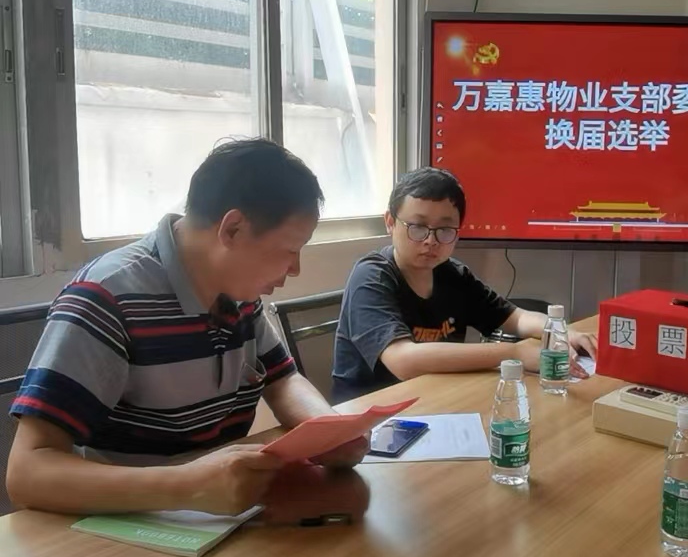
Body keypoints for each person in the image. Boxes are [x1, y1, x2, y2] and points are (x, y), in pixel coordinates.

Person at [6, 139, 368, 516]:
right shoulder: (105, 297)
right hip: (128, 518)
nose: (295, 269)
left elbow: (283, 380)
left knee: (348, 505)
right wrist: (188, 486)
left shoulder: (238, 293)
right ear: (233, 230)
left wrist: (328, 429)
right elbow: (27, 473)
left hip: (213, 511)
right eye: (290, 249)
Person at [332, 166, 598, 401]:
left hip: (435, 399)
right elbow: (403, 360)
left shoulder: (453, 274)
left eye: (445, 230)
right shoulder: (371, 276)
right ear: (390, 223)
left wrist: (561, 332)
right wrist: (514, 352)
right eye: (418, 227)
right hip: (371, 416)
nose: (431, 241)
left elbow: (515, 318)